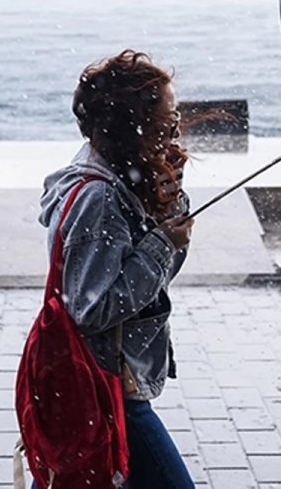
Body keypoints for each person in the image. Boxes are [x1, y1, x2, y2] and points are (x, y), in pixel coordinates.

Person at [34, 49, 195, 488]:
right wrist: (162, 242)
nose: (174, 130)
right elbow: (93, 306)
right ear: (133, 127)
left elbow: (154, 281)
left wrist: (168, 205)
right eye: (166, 122)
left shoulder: (121, 178)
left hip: (101, 381)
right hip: (106, 383)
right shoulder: (99, 197)